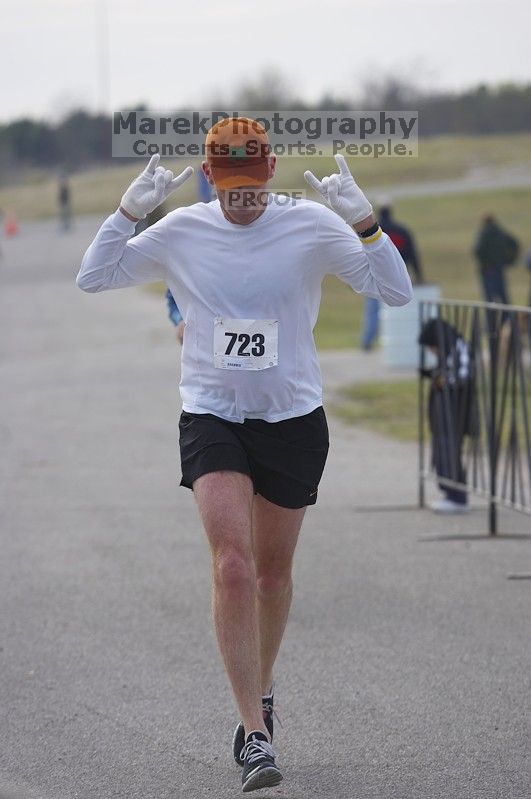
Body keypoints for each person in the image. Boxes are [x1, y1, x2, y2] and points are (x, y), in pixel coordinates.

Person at [76, 117, 412, 792]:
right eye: (228, 188)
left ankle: (262, 689)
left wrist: (366, 225)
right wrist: (127, 210)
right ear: (208, 177)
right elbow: (95, 275)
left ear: (271, 170)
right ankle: (253, 737)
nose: (241, 200)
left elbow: (394, 291)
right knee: (231, 564)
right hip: (212, 411)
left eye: (250, 187)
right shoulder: (182, 231)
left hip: (291, 416)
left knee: (268, 576)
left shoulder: (310, 226)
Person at [418, 318, 477, 514]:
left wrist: (440, 378)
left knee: (449, 453)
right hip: (444, 413)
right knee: (441, 453)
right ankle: (449, 492)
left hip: (455, 412)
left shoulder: (460, 348)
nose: (431, 351)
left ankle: (457, 497)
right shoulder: (450, 351)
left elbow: (461, 376)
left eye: (431, 347)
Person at [361, 204, 423, 350]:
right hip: (399, 275)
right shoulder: (402, 231)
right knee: (400, 308)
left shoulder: (373, 232)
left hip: (374, 275)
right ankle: (402, 345)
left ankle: (367, 341)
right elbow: (413, 254)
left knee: (373, 311)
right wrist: (418, 275)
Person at [473, 215, 519, 305]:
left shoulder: (483, 234)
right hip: (499, 268)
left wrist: (484, 263)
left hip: (487, 270)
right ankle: (507, 317)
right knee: (503, 296)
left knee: (490, 298)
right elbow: (515, 244)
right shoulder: (501, 233)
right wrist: (509, 261)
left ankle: (491, 318)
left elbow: (477, 250)